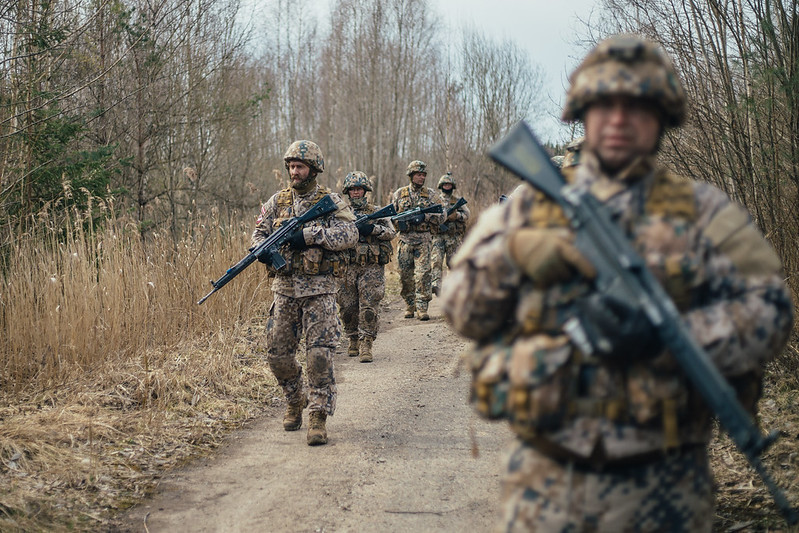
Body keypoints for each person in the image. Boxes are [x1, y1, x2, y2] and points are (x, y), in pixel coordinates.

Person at [441, 34, 793, 531]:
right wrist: (516, 254)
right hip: (545, 483)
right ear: (582, 112)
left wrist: (668, 336)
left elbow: (773, 309)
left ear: (662, 115)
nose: (620, 118)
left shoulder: (704, 210)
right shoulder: (528, 205)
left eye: (637, 105)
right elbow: (458, 308)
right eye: (604, 104)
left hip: (666, 485)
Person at [251, 140, 358, 446]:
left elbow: (350, 233)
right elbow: (259, 231)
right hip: (284, 290)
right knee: (278, 355)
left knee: (319, 355)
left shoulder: (331, 200)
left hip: (320, 289)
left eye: (299, 166)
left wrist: (312, 235)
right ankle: (296, 398)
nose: (293, 172)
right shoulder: (277, 201)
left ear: (313, 169)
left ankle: (318, 415)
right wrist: (260, 247)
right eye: (290, 166)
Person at [337, 171, 396, 363]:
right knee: (347, 308)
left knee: (369, 306)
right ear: (347, 191)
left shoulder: (376, 211)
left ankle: (366, 343)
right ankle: (352, 338)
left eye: (359, 189)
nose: (356, 192)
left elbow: (391, 232)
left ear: (365, 191)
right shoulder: (340, 211)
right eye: (352, 189)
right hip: (347, 265)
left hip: (371, 266)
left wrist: (373, 229)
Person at [391, 160, 445, 321]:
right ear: (411, 176)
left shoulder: (431, 195)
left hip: (423, 240)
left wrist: (425, 216)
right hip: (405, 240)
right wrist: (398, 222)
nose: (421, 177)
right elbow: (389, 216)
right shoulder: (399, 194)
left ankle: (422, 307)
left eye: (423, 174)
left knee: (423, 275)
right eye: (418, 174)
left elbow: (442, 216)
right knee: (405, 276)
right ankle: (409, 305)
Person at [431, 172, 470, 296]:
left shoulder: (458, 201)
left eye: (449, 184)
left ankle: (452, 287)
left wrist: (457, 215)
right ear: (441, 185)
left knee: (453, 263)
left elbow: (467, 215)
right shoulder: (435, 200)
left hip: (453, 237)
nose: (447, 186)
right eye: (445, 184)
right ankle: (436, 284)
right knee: (436, 261)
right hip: (438, 236)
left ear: (453, 186)